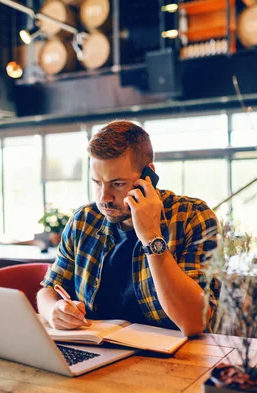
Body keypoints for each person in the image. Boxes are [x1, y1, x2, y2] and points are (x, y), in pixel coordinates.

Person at [37, 121, 219, 336]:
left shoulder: (192, 217)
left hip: (173, 359)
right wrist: (54, 311)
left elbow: (194, 322)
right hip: (98, 351)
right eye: (97, 183)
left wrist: (151, 237)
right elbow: (48, 291)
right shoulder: (84, 220)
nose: (104, 198)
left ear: (148, 176)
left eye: (117, 184)